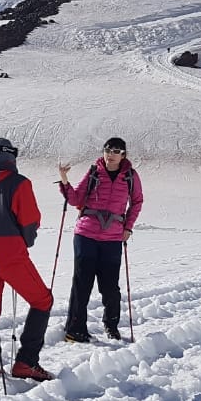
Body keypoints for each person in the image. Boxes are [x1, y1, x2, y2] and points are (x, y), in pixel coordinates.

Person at [0, 137, 54, 381]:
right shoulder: (20, 183)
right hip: (10, 254)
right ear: (11, 157)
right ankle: (26, 362)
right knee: (42, 300)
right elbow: (30, 221)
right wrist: (25, 241)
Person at [58, 136, 144, 342]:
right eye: (107, 150)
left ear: (123, 154)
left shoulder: (130, 176)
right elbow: (76, 199)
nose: (110, 155)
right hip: (86, 233)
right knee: (82, 282)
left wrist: (128, 228)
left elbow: (137, 201)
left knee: (110, 286)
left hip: (113, 236)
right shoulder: (94, 172)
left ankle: (111, 326)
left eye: (115, 151)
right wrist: (63, 179)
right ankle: (75, 330)